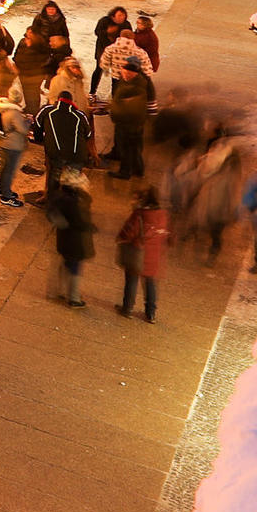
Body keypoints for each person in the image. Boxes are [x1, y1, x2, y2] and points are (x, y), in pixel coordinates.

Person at [117, 184, 170, 323]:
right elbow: (166, 235)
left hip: (137, 252)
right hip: (153, 255)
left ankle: (127, 308)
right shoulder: (162, 215)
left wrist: (121, 237)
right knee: (150, 283)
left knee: (132, 281)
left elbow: (129, 231)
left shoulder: (139, 214)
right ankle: (150, 313)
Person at [43, 170, 96, 306]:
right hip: (75, 241)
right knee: (75, 268)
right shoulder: (74, 201)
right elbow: (79, 222)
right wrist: (90, 227)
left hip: (65, 240)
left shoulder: (60, 197)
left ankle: (59, 291)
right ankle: (74, 298)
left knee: (66, 263)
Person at [107, 63, 154, 180]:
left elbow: (128, 104)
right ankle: (138, 170)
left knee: (126, 148)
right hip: (133, 122)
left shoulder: (134, 86)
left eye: (125, 71)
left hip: (127, 123)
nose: (123, 73)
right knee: (135, 148)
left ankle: (125, 172)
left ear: (132, 73)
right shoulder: (138, 82)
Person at [0, 89, 31, 207]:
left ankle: (2, 189)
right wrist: (28, 121)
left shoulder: (5, 109)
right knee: (9, 171)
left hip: (6, 143)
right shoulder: (15, 113)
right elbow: (23, 130)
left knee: (4, 168)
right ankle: (6, 196)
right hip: (14, 144)